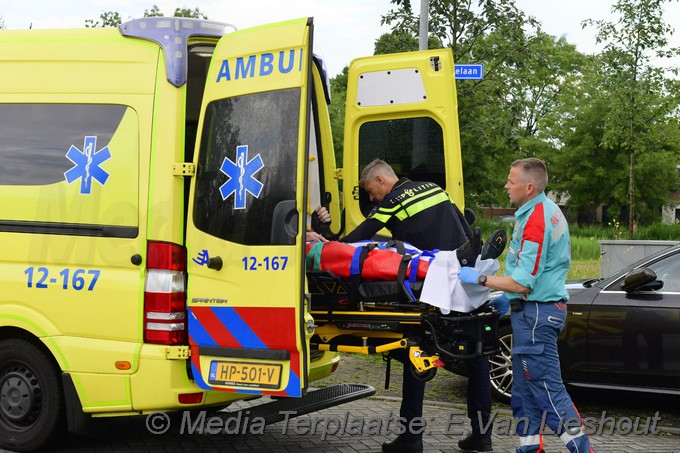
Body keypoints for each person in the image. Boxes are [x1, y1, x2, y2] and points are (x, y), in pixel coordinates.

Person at [342, 159, 492, 453]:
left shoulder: (395, 199)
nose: (372, 198)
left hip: (433, 283)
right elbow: (463, 225)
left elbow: (362, 234)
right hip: (464, 278)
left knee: (416, 353)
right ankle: (482, 436)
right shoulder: (435, 189)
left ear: (383, 180)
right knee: (477, 356)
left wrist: (331, 244)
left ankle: (411, 438)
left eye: (372, 192)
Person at [459, 158, 596, 453]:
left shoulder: (537, 218)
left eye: (511, 181)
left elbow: (523, 282)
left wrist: (480, 279)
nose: (506, 186)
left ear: (529, 186)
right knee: (523, 392)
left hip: (536, 316)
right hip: (532, 314)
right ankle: (529, 448)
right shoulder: (541, 212)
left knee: (547, 389)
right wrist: (506, 302)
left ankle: (583, 450)